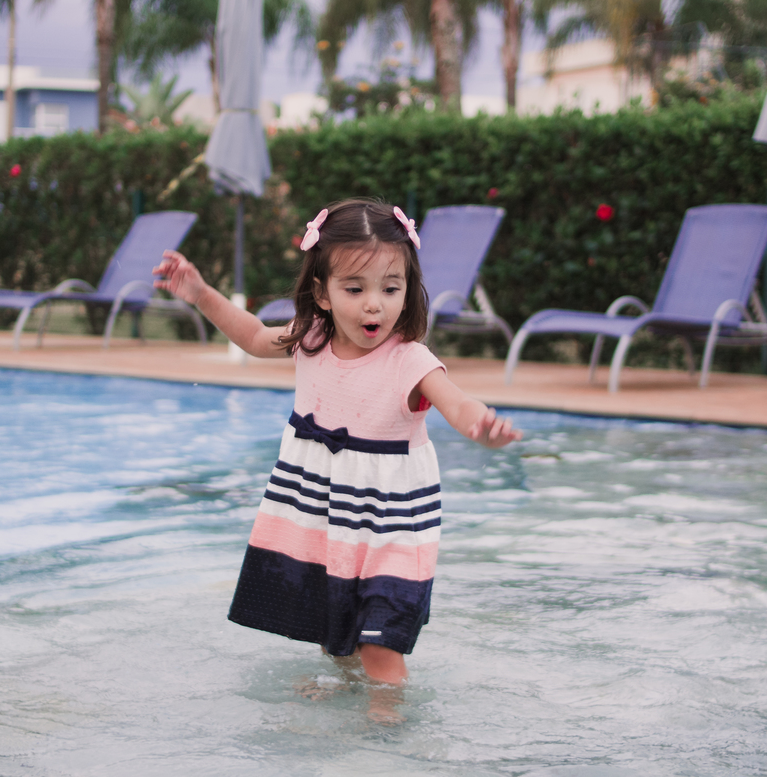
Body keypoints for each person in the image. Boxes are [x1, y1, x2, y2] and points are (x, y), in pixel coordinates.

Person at [153, 198, 521, 719]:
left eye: (390, 289)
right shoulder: (312, 339)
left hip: (392, 530)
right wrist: (200, 293)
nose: (375, 306)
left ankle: (386, 730)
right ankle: (347, 694)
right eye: (355, 289)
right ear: (322, 293)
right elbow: (254, 336)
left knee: (381, 643)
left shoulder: (409, 360)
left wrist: (481, 425)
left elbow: (456, 403)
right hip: (328, 519)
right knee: (334, 632)